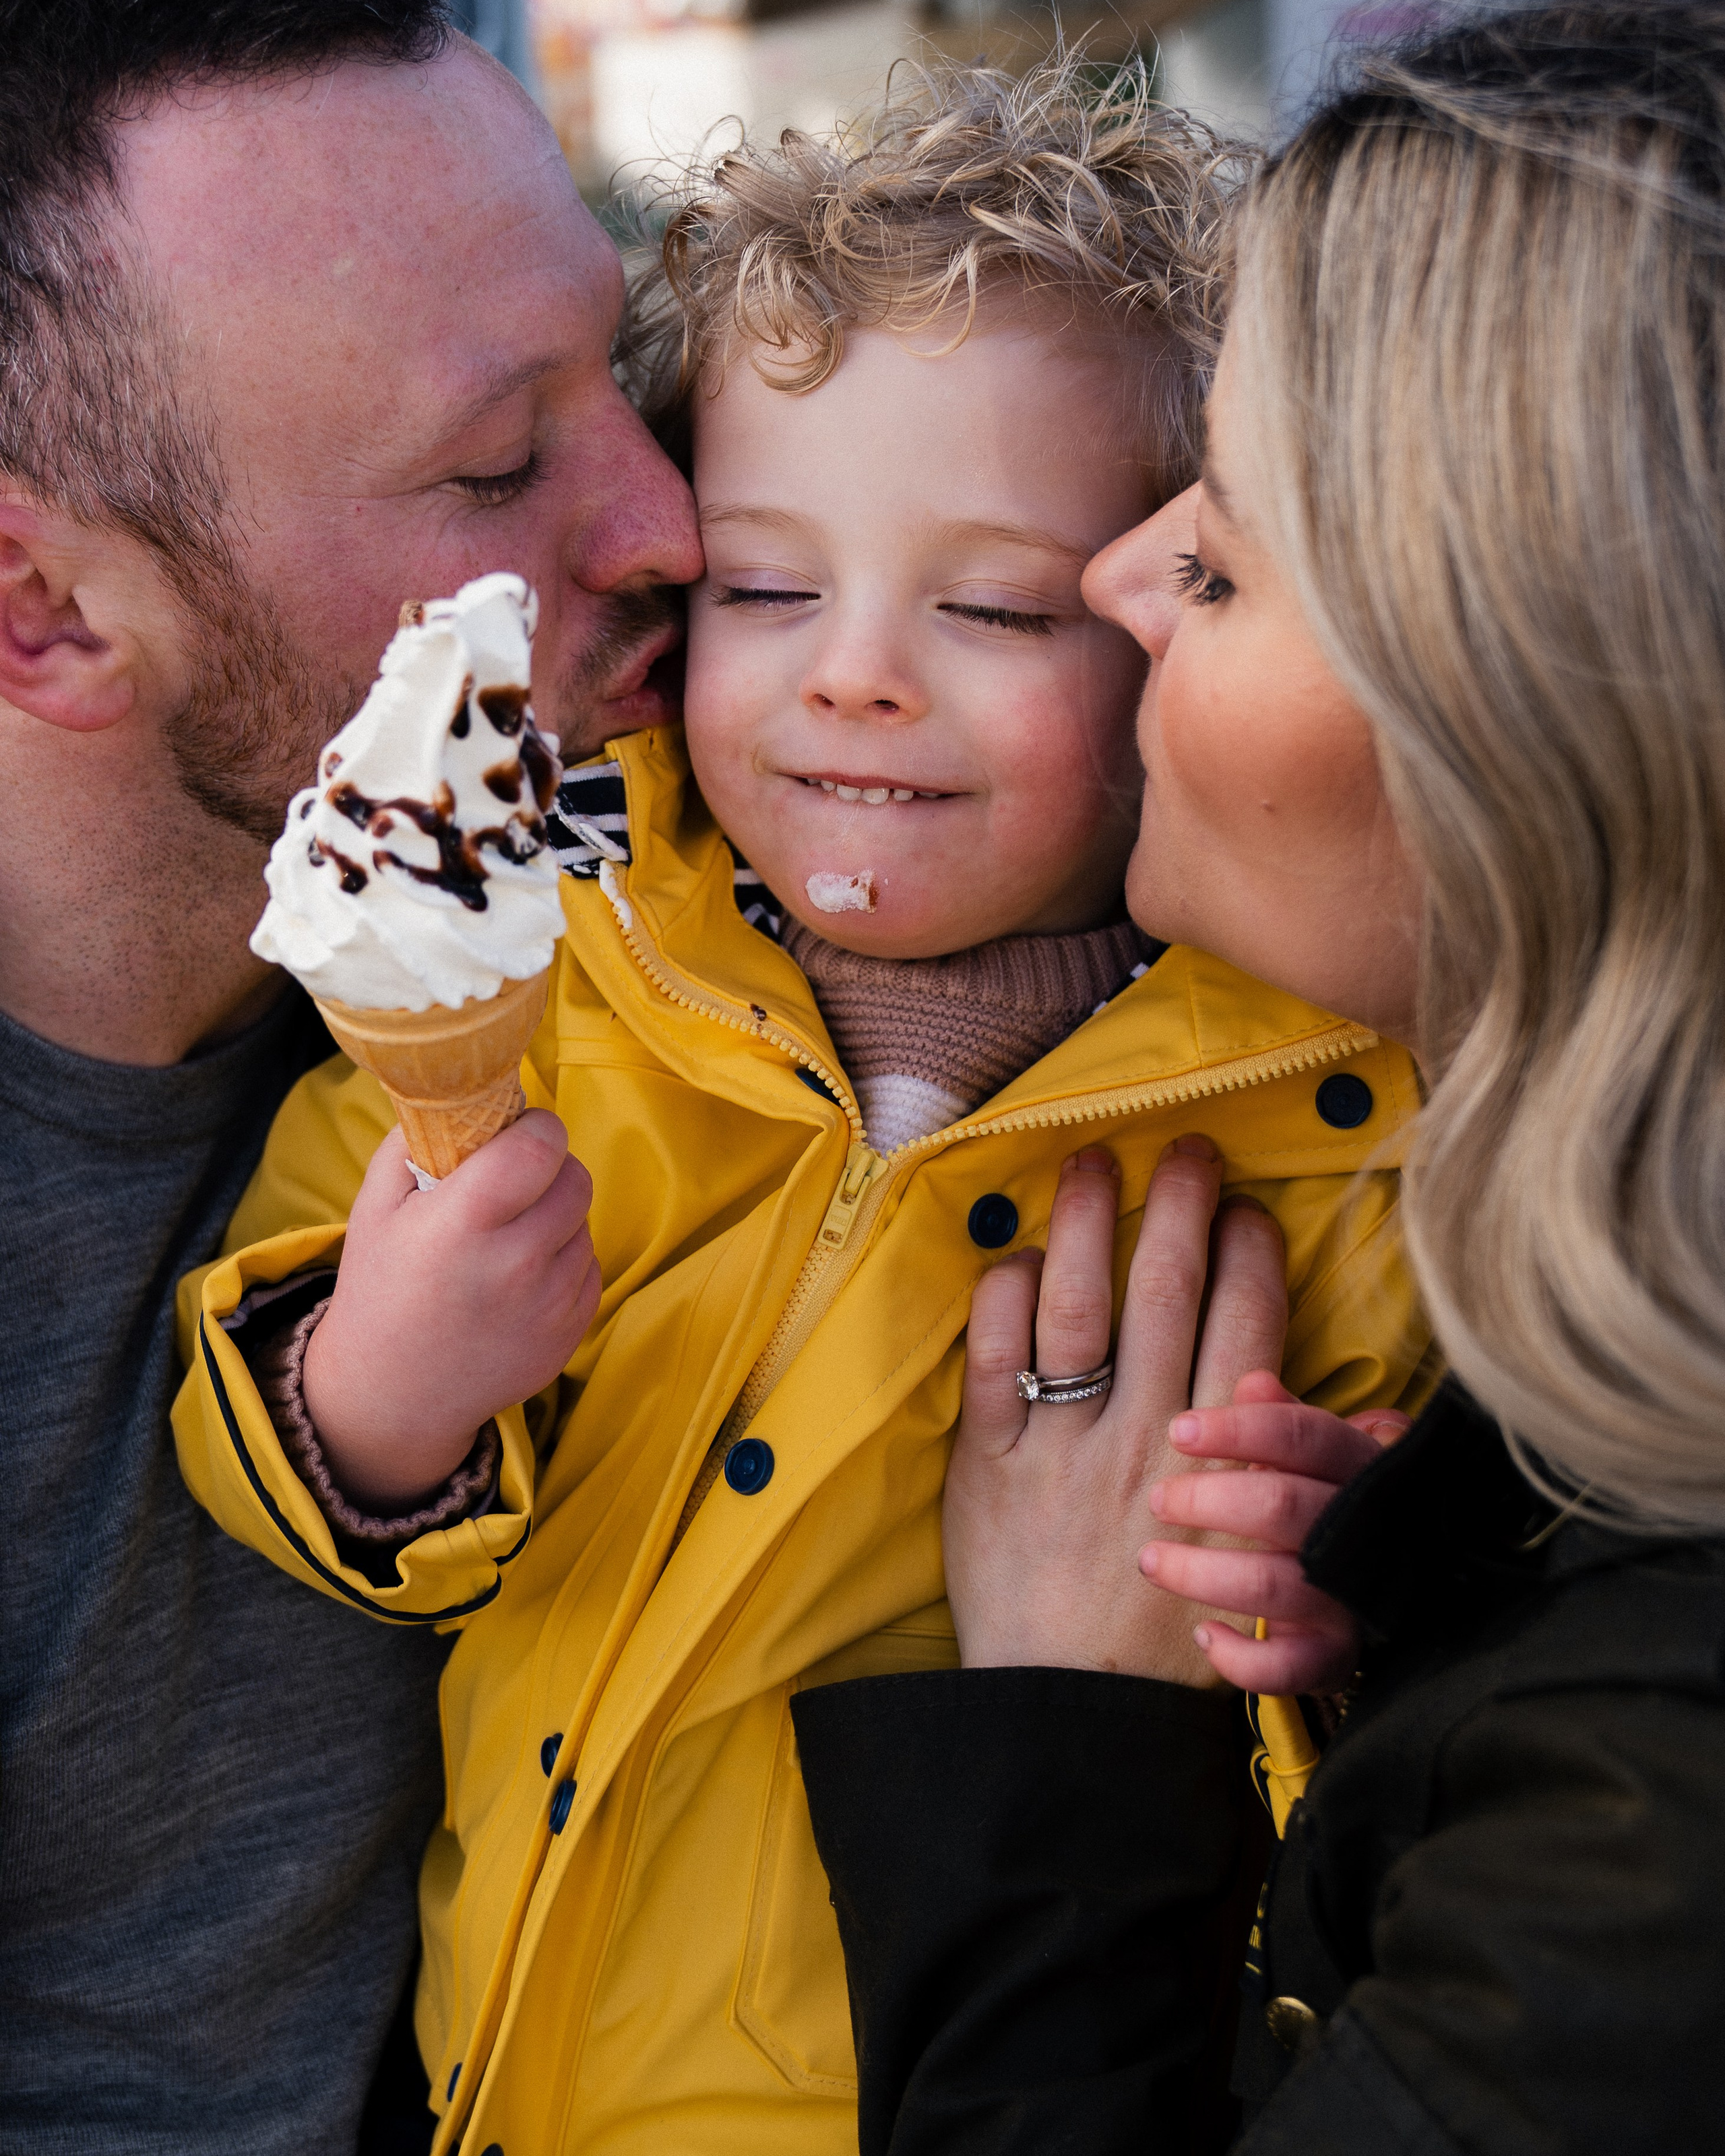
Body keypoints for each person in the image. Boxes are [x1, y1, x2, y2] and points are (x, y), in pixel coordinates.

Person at [170, 58, 1434, 2155]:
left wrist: (1327, 1582)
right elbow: (271, 1345)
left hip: (1000, 2082)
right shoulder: (565, 969)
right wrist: (379, 1399)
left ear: (1169, 614)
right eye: (767, 589)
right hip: (519, 2083)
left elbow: (1405, 1675)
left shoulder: (1324, 1120)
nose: (853, 674)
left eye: (998, 605)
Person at [787, 4, 1725, 2151]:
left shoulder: (1657, 1798)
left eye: (1217, 561)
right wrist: (1414, 1602)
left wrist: (1067, 1719)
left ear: (1529, 745)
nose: (1115, 580)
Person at [0, 4, 697, 2150]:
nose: (673, 523)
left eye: (633, 366)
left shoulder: (717, 897)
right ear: (42, 608)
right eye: (496, 466)